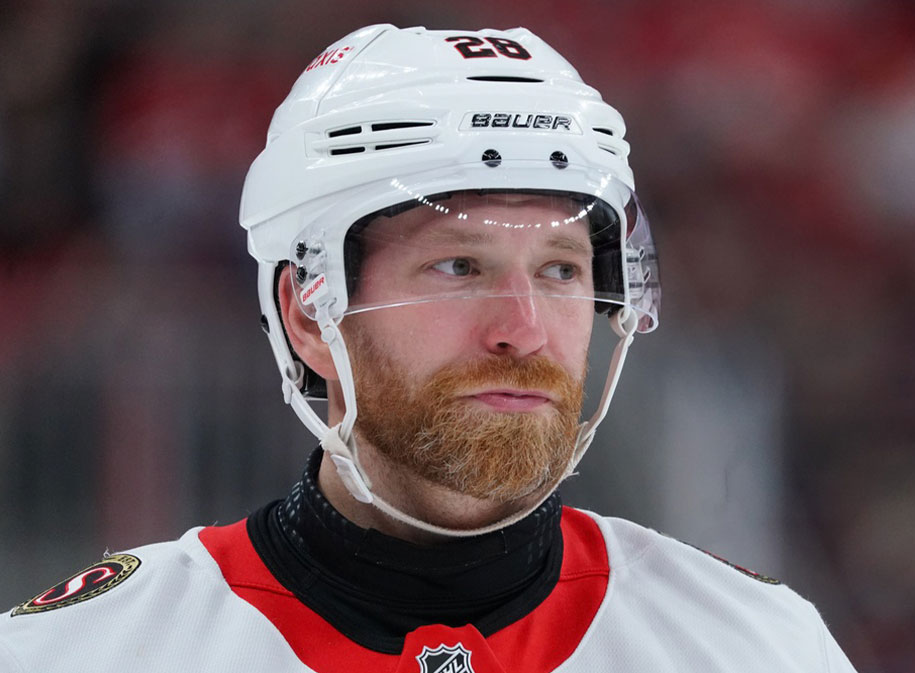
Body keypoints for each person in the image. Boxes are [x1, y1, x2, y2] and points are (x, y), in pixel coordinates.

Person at [1, 25, 858, 672]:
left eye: (560, 270)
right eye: (460, 265)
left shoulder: (754, 648)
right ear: (308, 312)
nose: (522, 328)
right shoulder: (86, 652)